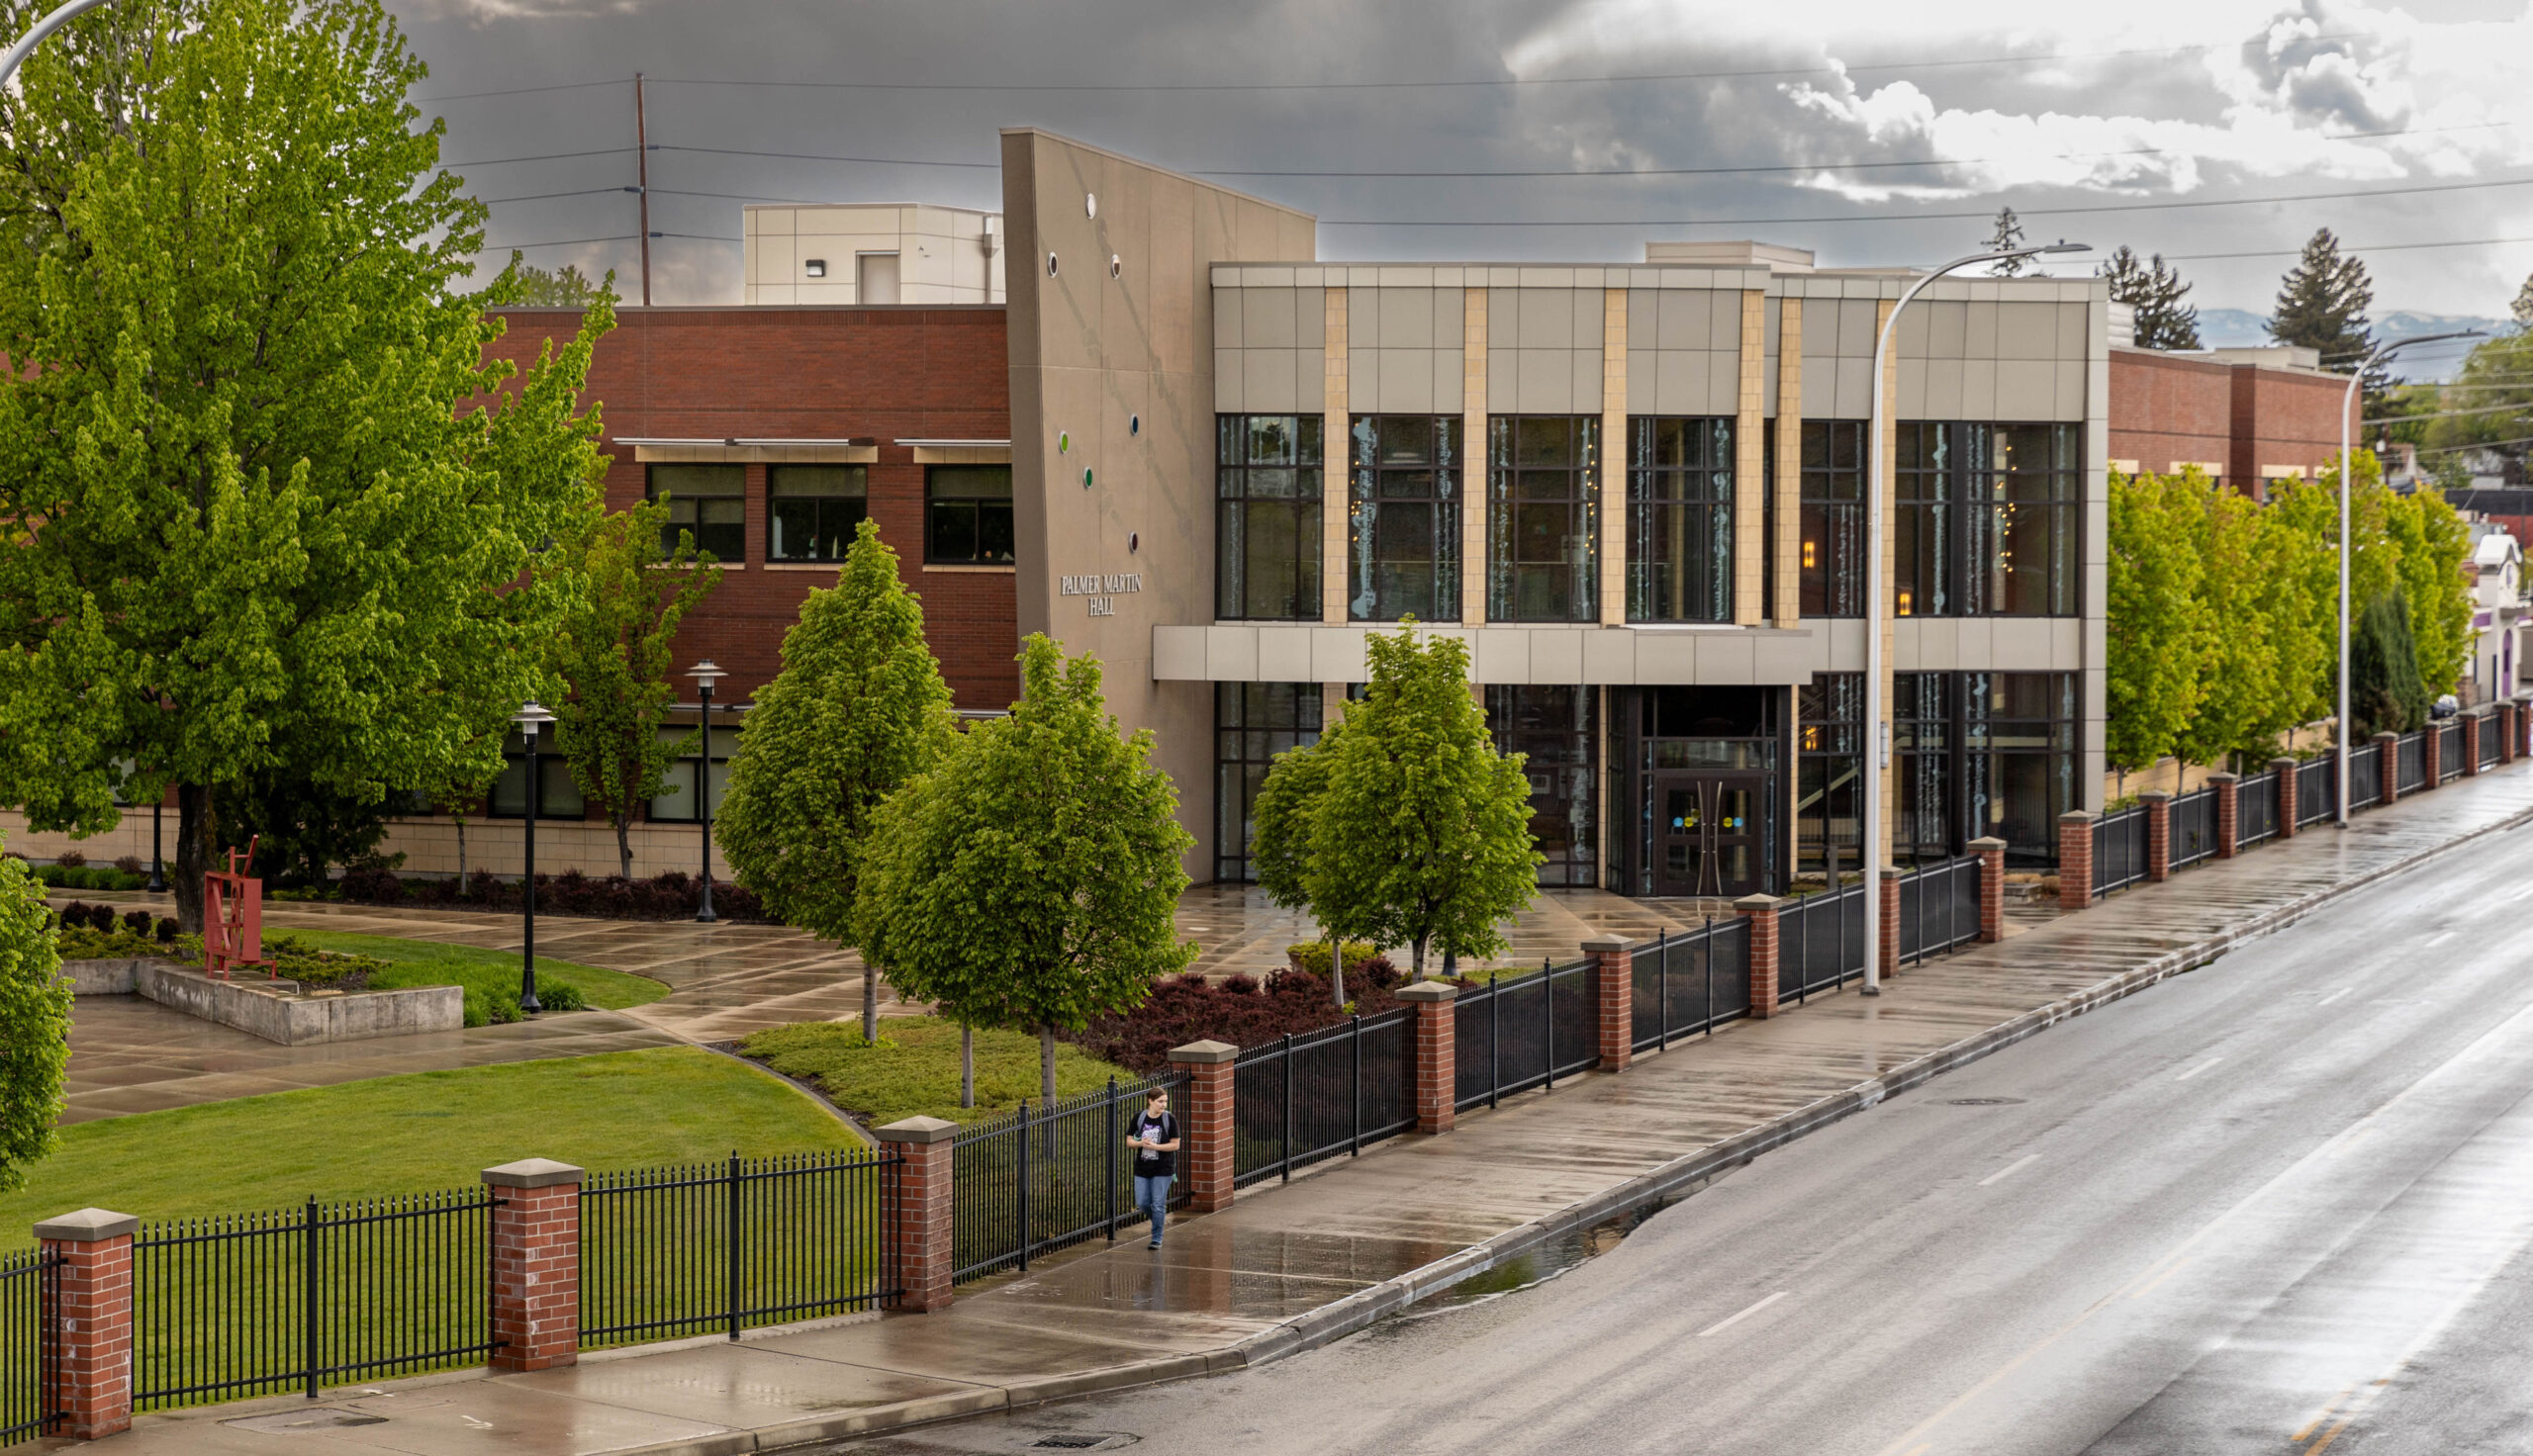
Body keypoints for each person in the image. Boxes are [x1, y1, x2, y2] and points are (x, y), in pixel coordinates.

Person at [1127, 1085, 1181, 1249]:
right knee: (1143, 1203)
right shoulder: (1140, 1118)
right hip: (1143, 1167)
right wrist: (1140, 1144)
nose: (1163, 1105)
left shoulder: (1169, 1119)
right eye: (1160, 1101)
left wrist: (1155, 1147)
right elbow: (1128, 1142)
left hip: (1163, 1168)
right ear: (1150, 1101)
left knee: (1158, 1204)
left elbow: (1175, 1145)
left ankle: (1156, 1237)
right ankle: (1159, 1220)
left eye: (1165, 1101)